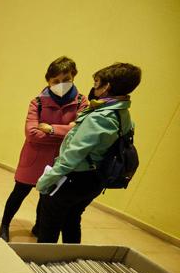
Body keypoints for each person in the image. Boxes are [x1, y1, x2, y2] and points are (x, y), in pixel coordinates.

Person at [36, 63, 142, 244]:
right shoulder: (123, 114)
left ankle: (41, 266)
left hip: (74, 179)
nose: (94, 86)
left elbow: (72, 156)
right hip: (96, 179)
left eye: (96, 82)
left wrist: (45, 181)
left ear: (106, 86)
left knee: (49, 225)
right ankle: (72, 261)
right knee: (72, 220)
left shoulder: (99, 117)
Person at [0, 56, 88, 241]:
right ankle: (5, 225)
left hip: (60, 160)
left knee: (46, 195)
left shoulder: (81, 102)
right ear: (48, 80)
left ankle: (39, 226)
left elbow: (80, 131)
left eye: (66, 80)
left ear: (74, 77)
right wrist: (66, 131)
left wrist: (51, 129)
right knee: (19, 192)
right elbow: (31, 133)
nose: (61, 84)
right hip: (33, 157)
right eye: (56, 81)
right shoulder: (37, 102)